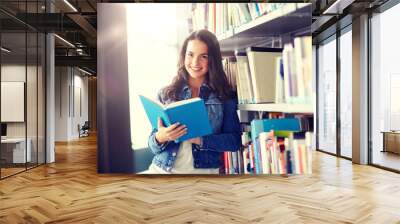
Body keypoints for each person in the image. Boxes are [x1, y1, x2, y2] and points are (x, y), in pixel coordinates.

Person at [142, 29, 241, 174]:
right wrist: (161, 137)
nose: (195, 62)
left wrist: (200, 140)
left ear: (212, 59)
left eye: (203, 56)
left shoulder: (224, 96)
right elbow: (153, 146)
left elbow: (234, 142)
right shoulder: (167, 93)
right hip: (161, 170)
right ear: (184, 56)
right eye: (190, 54)